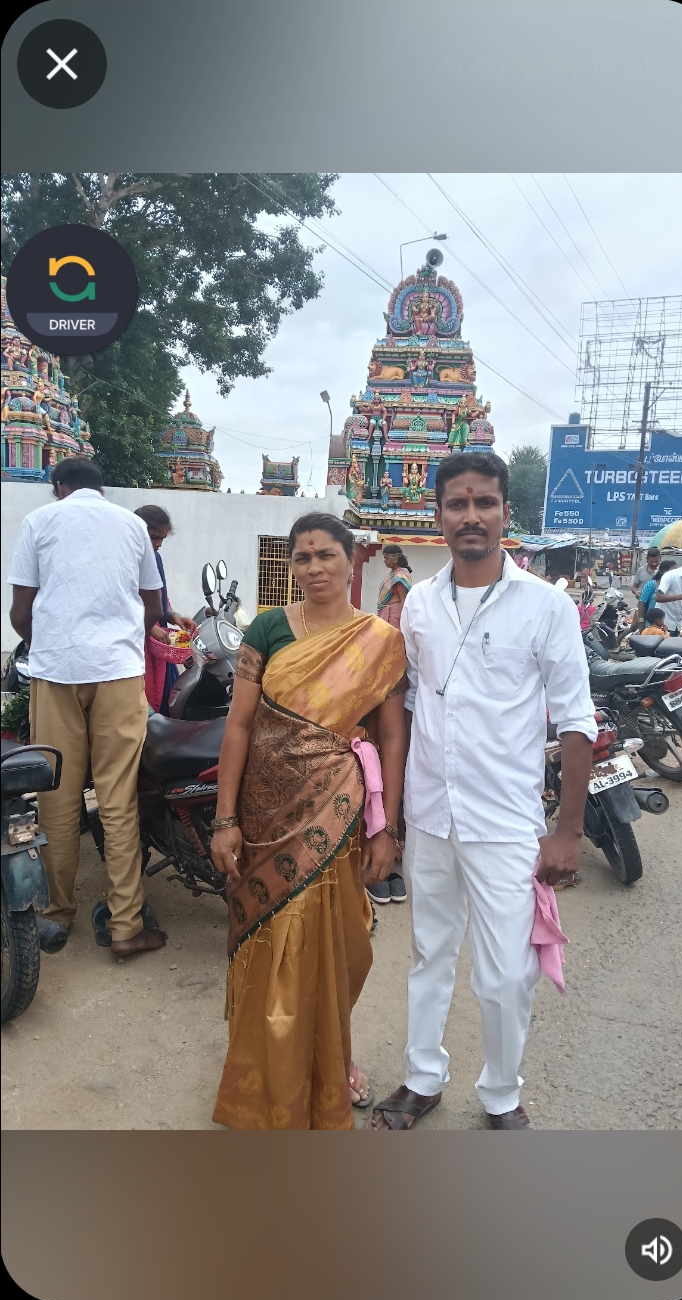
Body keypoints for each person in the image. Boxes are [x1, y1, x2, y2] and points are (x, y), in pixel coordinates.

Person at [371, 452, 597, 1132]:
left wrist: (567, 831)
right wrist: (394, 817)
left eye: (485, 503)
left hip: (505, 822)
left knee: (505, 975)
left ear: (505, 513)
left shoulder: (546, 606)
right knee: (428, 955)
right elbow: (408, 706)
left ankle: (501, 1092)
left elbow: (576, 720)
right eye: (458, 504)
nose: (471, 516)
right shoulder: (419, 604)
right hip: (431, 816)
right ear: (438, 516)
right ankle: (422, 1077)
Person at [209, 513, 408, 1130]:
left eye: (326, 555)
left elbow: (392, 737)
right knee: (269, 944)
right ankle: (265, 1075)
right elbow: (239, 725)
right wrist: (223, 819)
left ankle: (329, 1067)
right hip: (263, 816)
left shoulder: (380, 640)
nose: (314, 567)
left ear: (353, 560)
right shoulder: (267, 628)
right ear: (290, 565)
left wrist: (386, 828)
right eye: (302, 557)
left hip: (336, 816)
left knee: (331, 948)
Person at [7, 458, 167, 957]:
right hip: (118, 672)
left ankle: (56, 914)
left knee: (57, 796)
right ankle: (126, 926)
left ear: (59, 486)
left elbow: (20, 611)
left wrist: (49, 645)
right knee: (118, 799)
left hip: (56, 673)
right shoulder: (133, 525)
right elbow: (154, 606)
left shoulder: (39, 521)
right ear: (102, 488)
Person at [134, 505, 195, 714]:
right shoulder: (126, 560)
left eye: (162, 539)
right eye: (154, 538)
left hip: (158, 642)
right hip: (136, 642)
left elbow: (159, 596)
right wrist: (150, 627)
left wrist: (172, 615)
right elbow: (120, 601)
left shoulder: (155, 558)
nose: (159, 544)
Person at [377, 546, 413, 630]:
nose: (384, 561)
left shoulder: (400, 576)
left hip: (394, 613)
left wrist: (396, 619)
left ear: (395, 558)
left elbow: (404, 600)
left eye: (386, 558)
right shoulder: (393, 574)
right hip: (387, 611)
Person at [635, 558, 675, 627]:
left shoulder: (675, 587)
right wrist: (641, 623)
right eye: (671, 572)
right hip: (652, 626)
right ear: (662, 571)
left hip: (670, 625)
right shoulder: (652, 584)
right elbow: (641, 604)